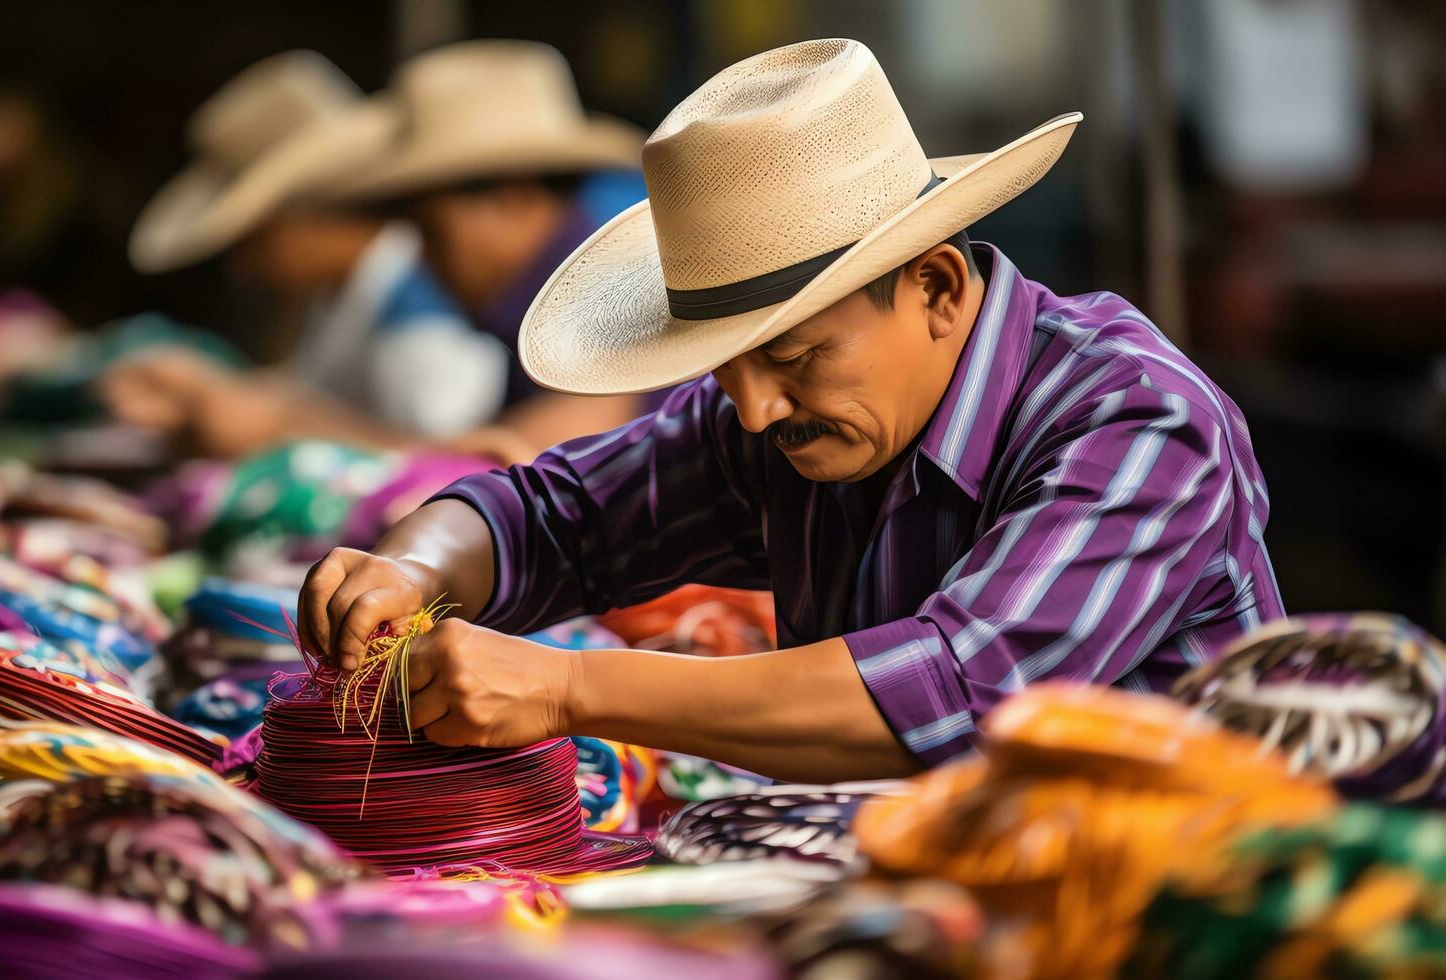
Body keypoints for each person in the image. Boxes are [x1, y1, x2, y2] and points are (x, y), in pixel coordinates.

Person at [300, 40, 1284, 783]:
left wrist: (562, 687)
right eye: (723, 370)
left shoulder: (1139, 425)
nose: (756, 408)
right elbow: (545, 517)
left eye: (794, 354)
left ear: (937, 288)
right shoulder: (778, 418)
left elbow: (954, 691)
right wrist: (410, 566)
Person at [109, 51, 507, 457]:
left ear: (302, 213)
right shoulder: (338, 295)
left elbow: (448, 460)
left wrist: (274, 421)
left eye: (252, 240)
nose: (243, 268)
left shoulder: (414, 296)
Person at [335, 40, 654, 461]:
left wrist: (285, 425)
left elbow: (528, 459)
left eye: (430, 233)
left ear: (509, 198)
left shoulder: (609, 296)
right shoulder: (535, 312)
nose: (422, 259)